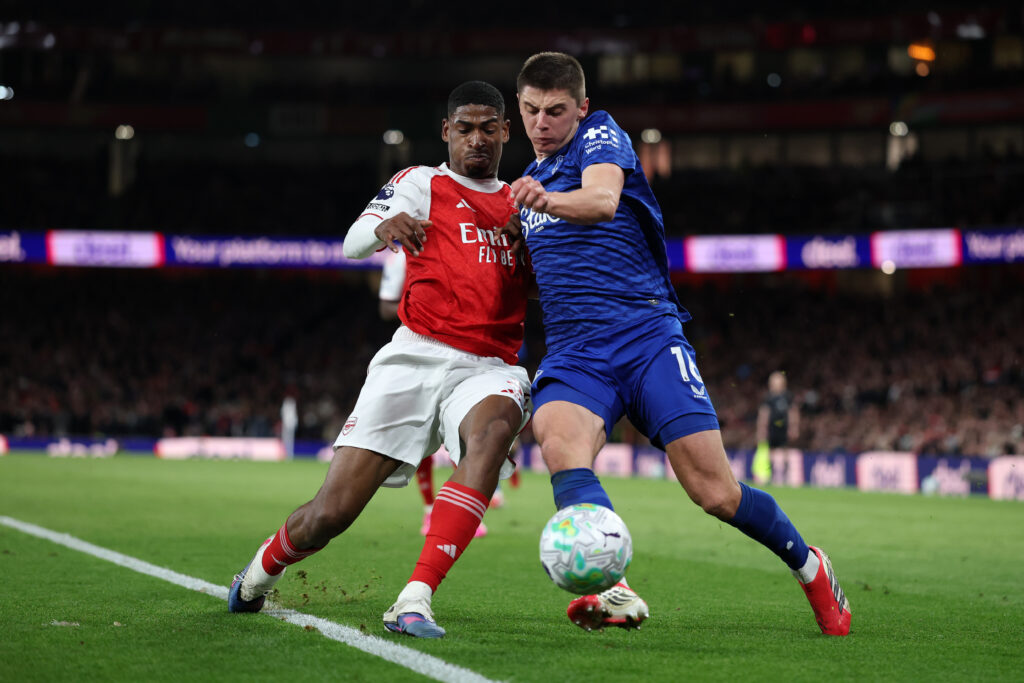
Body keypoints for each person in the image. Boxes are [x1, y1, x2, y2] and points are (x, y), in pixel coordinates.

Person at [507, 52, 850, 636]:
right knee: (560, 445)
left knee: (715, 493)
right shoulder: (522, 186)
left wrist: (544, 201)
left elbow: (602, 202)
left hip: (645, 336)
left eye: (556, 110)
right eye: (531, 110)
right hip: (575, 351)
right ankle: (610, 585)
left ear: (580, 108)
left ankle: (810, 565)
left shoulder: (599, 136)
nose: (542, 122)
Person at [228, 81, 532, 639]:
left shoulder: (525, 201)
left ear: (506, 132)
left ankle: (414, 598)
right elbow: (352, 241)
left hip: (490, 364)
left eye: (490, 127)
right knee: (330, 514)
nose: (477, 139)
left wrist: (534, 247)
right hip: (415, 355)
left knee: (490, 437)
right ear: (447, 132)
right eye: (465, 127)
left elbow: (553, 289)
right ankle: (258, 574)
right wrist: (384, 227)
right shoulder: (422, 182)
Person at [378, 248, 489, 538]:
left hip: (463, 350)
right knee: (423, 434)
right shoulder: (399, 258)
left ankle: (459, 511)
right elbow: (385, 307)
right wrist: (425, 302)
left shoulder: (459, 246)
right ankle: (430, 510)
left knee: (460, 429)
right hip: (417, 349)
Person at [754, 371, 801, 486]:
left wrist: (794, 427)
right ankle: (770, 475)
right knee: (770, 451)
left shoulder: (787, 396)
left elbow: (793, 412)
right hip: (772, 428)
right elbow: (764, 413)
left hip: (783, 427)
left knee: (785, 450)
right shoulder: (768, 397)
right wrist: (762, 428)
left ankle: (785, 475)